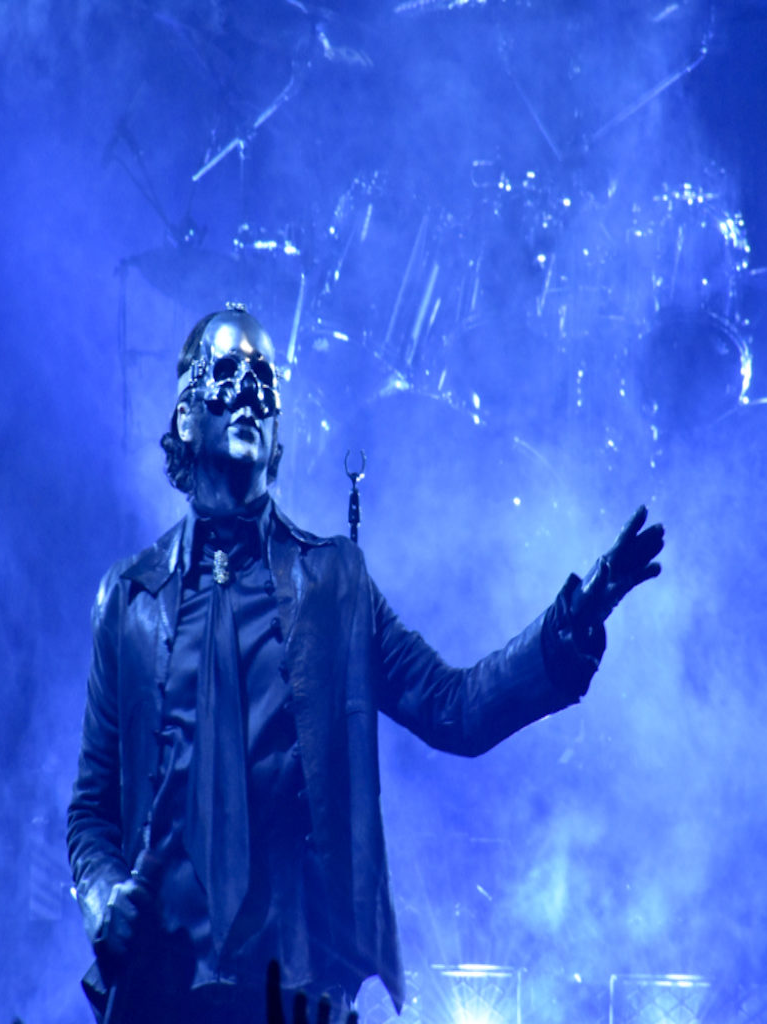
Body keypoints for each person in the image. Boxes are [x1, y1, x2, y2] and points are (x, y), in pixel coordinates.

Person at [66, 303, 664, 1024]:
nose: (251, 393)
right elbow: (91, 812)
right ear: (186, 417)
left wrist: (574, 620)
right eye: (227, 372)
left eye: (266, 380)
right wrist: (100, 897)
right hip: (160, 989)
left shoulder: (332, 585)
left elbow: (455, 707)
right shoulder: (130, 600)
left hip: (293, 985)